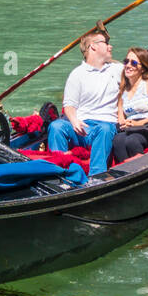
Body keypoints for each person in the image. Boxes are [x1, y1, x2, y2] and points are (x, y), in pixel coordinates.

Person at [47, 25, 121, 181]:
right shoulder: (77, 74)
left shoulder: (116, 69)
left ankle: (96, 176)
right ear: (93, 46)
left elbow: (144, 76)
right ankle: (57, 173)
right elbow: (69, 105)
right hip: (81, 128)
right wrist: (74, 120)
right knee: (56, 126)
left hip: (104, 127)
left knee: (106, 128)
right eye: (105, 43)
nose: (110, 46)